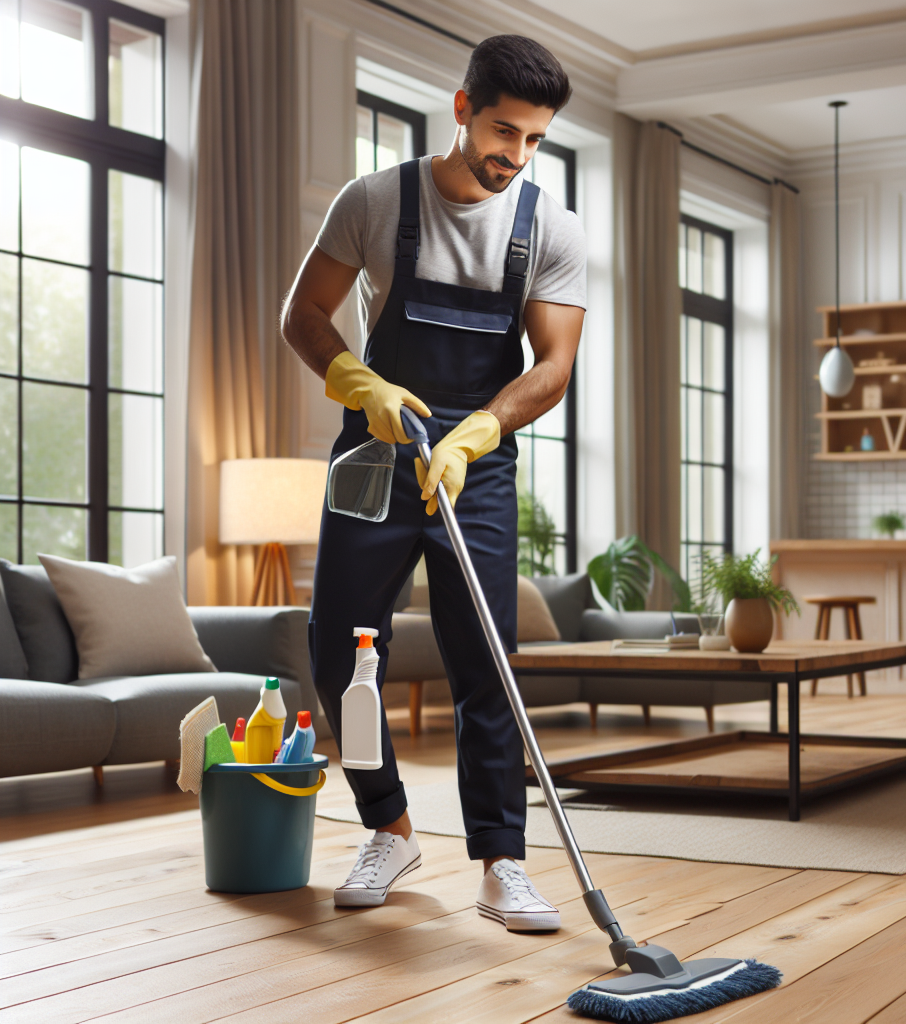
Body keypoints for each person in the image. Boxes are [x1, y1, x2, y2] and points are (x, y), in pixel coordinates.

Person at [282, 34, 585, 933]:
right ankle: (388, 828)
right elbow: (304, 315)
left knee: (483, 658)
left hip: (475, 464)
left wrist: (481, 430)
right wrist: (360, 384)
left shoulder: (549, 227)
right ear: (461, 108)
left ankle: (501, 862)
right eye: (503, 131)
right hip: (375, 452)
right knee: (339, 650)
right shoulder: (375, 200)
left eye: (534, 140)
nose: (515, 155)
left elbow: (554, 365)